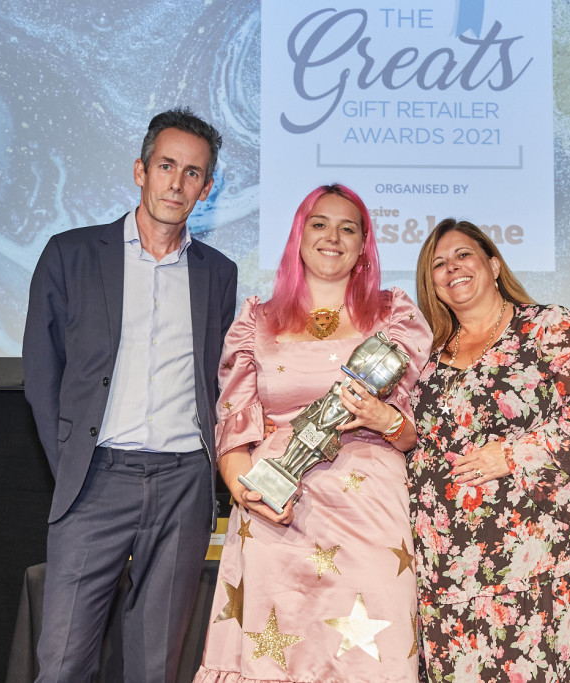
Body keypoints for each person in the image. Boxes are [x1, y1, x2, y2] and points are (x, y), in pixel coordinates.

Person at [23, 108, 237, 682]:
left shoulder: (218, 272)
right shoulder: (70, 254)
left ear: (207, 188)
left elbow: (216, 378)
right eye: (167, 165)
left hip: (184, 484)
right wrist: (71, 461)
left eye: (193, 173)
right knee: (64, 659)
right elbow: (42, 372)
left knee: (154, 665)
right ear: (140, 170)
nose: (177, 182)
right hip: (96, 479)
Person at [194, 184, 432, 682]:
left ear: (365, 244)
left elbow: (411, 433)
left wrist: (381, 418)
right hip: (275, 507)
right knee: (276, 654)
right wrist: (246, 491)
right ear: (298, 235)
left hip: (368, 512)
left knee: (373, 655)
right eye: (319, 224)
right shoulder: (255, 320)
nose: (333, 236)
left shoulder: (395, 316)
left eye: (349, 228)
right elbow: (234, 427)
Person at [409, 219, 570, 682]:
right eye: (438, 264)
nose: (452, 268)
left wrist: (510, 455)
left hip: (549, 564)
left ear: (493, 264)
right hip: (452, 578)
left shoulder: (549, 327)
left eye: (463, 255)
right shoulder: (423, 361)